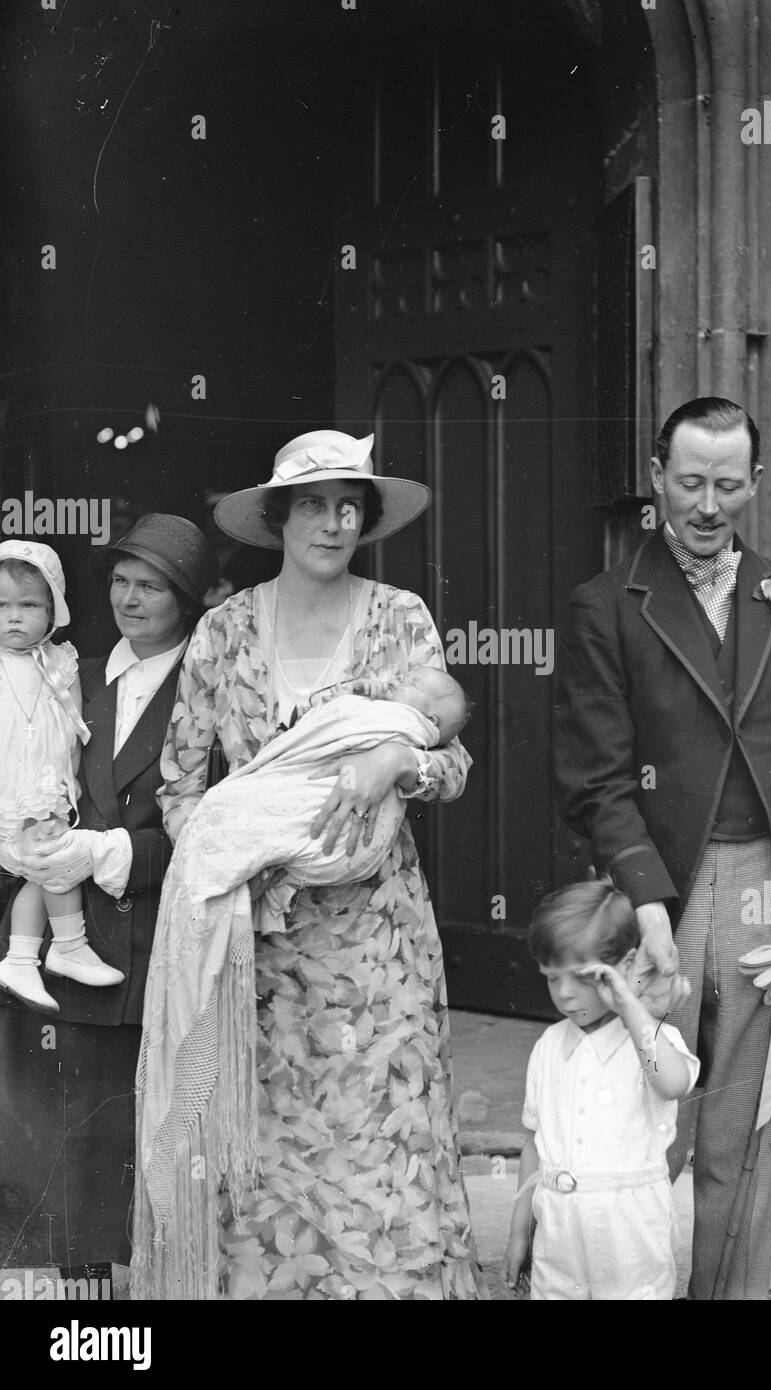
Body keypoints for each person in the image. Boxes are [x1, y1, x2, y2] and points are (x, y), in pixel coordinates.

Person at [131, 429, 486, 1301]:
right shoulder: (222, 633)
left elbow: (451, 763)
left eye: (350, 507)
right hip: (254, 949)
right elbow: (181, 784)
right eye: (316, 505)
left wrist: (392, 764)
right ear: (279, 517)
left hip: (375, 949)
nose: (334, 523)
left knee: (377, 1138)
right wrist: (237, 851)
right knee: (259, 1147)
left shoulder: (400, 618)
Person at [555, 397, 771, 1300]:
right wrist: (646, 900)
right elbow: (594, 780)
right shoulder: (603, 606)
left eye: (726, 485)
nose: (705, 505)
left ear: (754, 484)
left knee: (744, 1124)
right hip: (652, 889)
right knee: (635, 1117)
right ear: (656, 477)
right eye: (688, 482)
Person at [0, 515, 219, 1294]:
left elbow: (216, 819)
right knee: (65, 1126)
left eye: (151, 585)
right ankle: (84, 1300)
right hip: (68, 929)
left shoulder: (209, 688)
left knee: (151, 1126)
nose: (130, 598)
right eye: (121, 581)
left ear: (186, 599)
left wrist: (122, 850)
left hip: (155, 934)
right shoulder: (69, 671)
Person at [503, 880, 699, 1300]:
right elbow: (534, 1143)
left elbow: (674, 1082)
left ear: (625, 967)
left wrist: (629, 1003)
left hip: (628, 1232)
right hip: (558, 1231)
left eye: (581, 978)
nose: (566, 993)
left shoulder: (650, 1039)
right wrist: (520, 1232)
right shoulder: (549, 1046)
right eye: (552, 978)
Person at [0, 542, 124, 1015]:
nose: (14, 618)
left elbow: (73, 727)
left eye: (28, 605)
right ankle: (66, 944)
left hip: (48, 783)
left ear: (52, 609)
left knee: (48, 864)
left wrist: (67, 782)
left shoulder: (60, 661)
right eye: (2, 606)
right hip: (8, 786)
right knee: (48, 863)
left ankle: (22, 957)